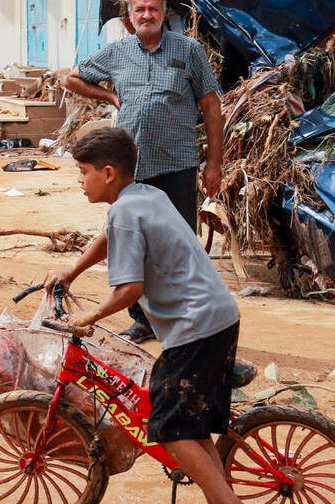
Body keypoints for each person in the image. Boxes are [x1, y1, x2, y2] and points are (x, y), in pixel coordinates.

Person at [46, 127, 242, 504]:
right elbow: (108, 238)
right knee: (191, 425)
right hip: (217, 315)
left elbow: (130, 290)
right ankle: (222, 493)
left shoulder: (124, 211)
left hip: (194, 326)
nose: (80, 181)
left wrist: (90, 316)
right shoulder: (146, 195)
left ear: (107, 173)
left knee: (169, 428)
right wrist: (71, 271)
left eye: (83, 172)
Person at [62, 0, 224, 343]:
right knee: (131, 243)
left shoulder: (189, 49)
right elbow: (72, 79)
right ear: (129, 16)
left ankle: (186, 319)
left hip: (177, 163)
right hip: (131, 170)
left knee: (177, 244)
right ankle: (143, 320)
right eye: (140, 10)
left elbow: (211, 106)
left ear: (164, 13)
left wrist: (214, 163)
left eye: (153, 9)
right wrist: (109, 96)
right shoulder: (117, 52)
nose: (147, 15)